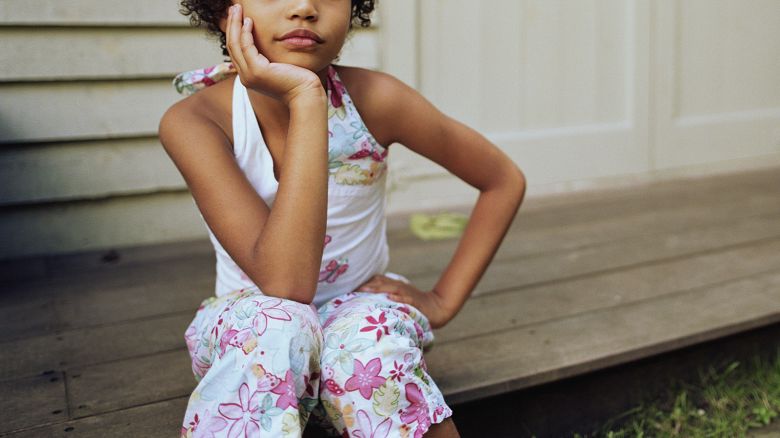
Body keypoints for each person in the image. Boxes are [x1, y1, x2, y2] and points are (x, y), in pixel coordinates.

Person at [158, 0, 526, 436]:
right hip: (253, 323)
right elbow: (287, 285)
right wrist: (305, 98)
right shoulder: (198, 121)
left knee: (365, 346)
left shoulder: (376, 100)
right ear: (224, 11)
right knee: (279, 323)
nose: (304, 7)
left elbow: (502, 180)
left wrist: (441, 301)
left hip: (359, 312)